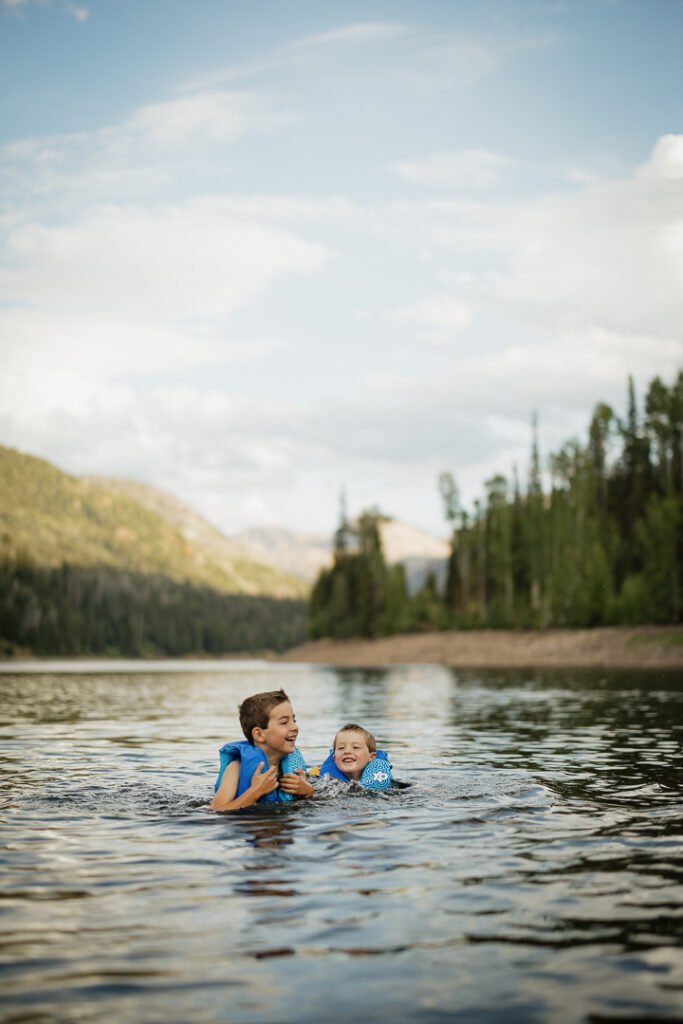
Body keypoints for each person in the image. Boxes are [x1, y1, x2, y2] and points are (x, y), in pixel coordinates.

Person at [210, 688, 314, 812]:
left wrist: (308, 791)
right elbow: (217, 810)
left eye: (294, 720)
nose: (295, 727)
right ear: (259, 734)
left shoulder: (291, 766)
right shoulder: (236, 767)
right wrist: (256, 791)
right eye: (284, 722)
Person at [317, 723, 393, 790]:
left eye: (356, 747)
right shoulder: (324, 781)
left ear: (371, 756)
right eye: (341, 748)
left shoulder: (383, 778)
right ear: (334, 757)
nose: (347, 751)